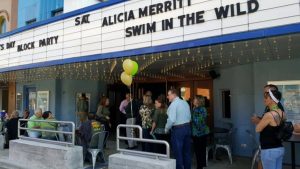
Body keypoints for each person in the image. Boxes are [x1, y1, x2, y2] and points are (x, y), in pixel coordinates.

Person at [251, 84, 284, 169]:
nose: (264, 97)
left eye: (266, 95)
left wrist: (259, 121)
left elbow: (258, 129)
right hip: (278, 148)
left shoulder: (270, 113)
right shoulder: (278, 110)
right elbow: (277, 124)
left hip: (269, 149)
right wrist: (262, 120)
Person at [165, 89, 192, 169]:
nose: (167, 96)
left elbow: (171, 120)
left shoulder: (173, 104)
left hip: (178, 130)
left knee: (178, 153)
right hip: (187, 128)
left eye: (168, 94)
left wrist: (166, 128)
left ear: (174, 95)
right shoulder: (185, 102)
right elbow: (190, 117)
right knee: (187, 152)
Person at [192, 95, 210, 169]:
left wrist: (191, 118)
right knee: (200, 150)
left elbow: (199, 122)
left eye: (195, 99)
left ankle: (200, 166)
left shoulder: (201, 109)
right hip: (199, 133)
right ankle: (201, 165)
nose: (193, 100)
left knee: (199, 151)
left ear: (198, 101)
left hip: (199, 134)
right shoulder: (195, 108)